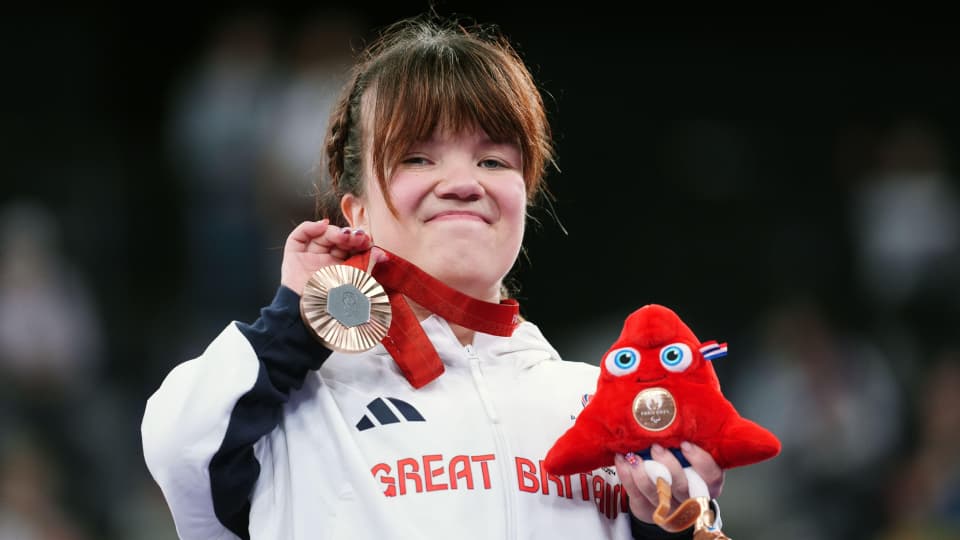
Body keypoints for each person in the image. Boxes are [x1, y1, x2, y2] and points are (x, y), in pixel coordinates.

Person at [142, 13, 725, 539]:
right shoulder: (295, 412)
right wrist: (293, 323)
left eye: (493, 160)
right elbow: (179, 450)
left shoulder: (597, 405)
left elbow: (692, 522)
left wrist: (666, 528)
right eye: (417, 158)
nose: (463, 183)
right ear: (356, 213)